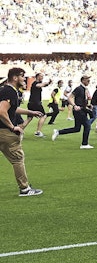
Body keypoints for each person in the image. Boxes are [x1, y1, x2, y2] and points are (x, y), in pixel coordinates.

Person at [1, 67, 45, 196]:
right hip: (5, 132)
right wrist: (12, 127)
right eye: (22, 76)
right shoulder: (10, 91)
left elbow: (12, 108)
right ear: (15, 78)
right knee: (17, 159)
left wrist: (30, 112)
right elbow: (2, 111)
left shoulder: (5, 90)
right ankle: (25, 189)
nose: (24, 79)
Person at [53, 73, 95, 149]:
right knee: (87, 125)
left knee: (77, 128)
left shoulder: (84, 89)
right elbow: (70, 97)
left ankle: (58, 132)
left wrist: (88, 105)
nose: (89, 81)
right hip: (79, 110)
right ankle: (84, 144)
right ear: (83, 80)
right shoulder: (79, 88)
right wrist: (74, 105)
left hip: (82, 109)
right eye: (87, 80)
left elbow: (82, 100)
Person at [27, 72, 51, 137]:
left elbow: (44, 85)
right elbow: (39, 85)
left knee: (29, 118)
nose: (42, 78)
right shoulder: (35, 83)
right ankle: (38, 132)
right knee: (44, 116)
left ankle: (18, 130)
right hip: (36, 103)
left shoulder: (37, 83)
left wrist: (48, 83)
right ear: (37, 77)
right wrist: (47, 83)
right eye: (41, 76)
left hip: (31, 103)